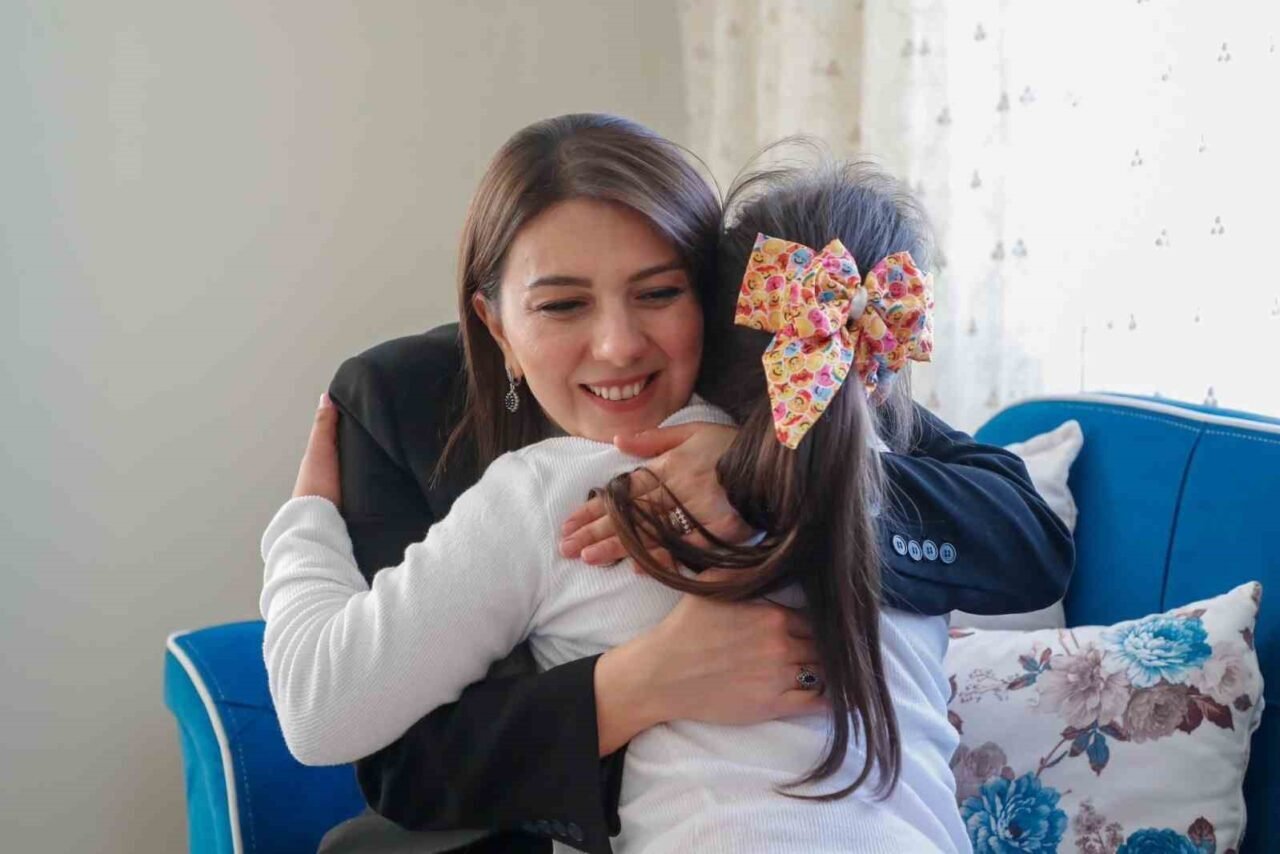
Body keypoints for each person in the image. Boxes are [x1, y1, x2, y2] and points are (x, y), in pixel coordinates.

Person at [263, 115, 1072, 852]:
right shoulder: (848, 419)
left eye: (658, 293)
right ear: (495, 325)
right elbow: (403, 765)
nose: (618, 345)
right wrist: (631, 687)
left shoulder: (568, 490)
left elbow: (316, 706)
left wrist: (301, 525)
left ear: (719, 300)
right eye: (562, 305)